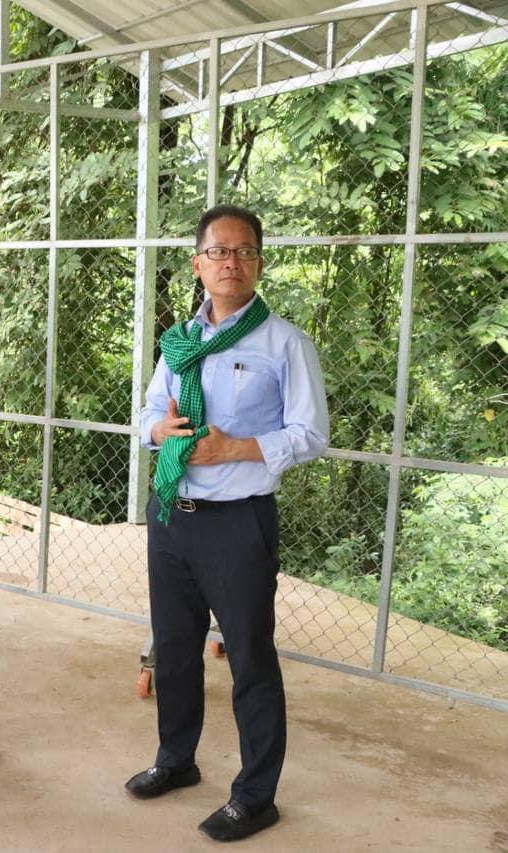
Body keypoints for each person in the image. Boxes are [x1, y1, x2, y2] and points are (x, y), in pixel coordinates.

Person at [125, 204, 328, 843]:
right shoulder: (180, 341)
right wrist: (160, 429)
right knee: (175, 648)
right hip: (173, 514)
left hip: (239, 524)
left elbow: (311, 434)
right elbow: (147, 413)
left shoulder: (284, 343)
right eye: (218, 251)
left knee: (250, 659)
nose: (230, 262)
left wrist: (233, 448)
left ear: (259, 263)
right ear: (198, 263)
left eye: (244, 252)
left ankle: (256, 796)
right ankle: (176, 760)